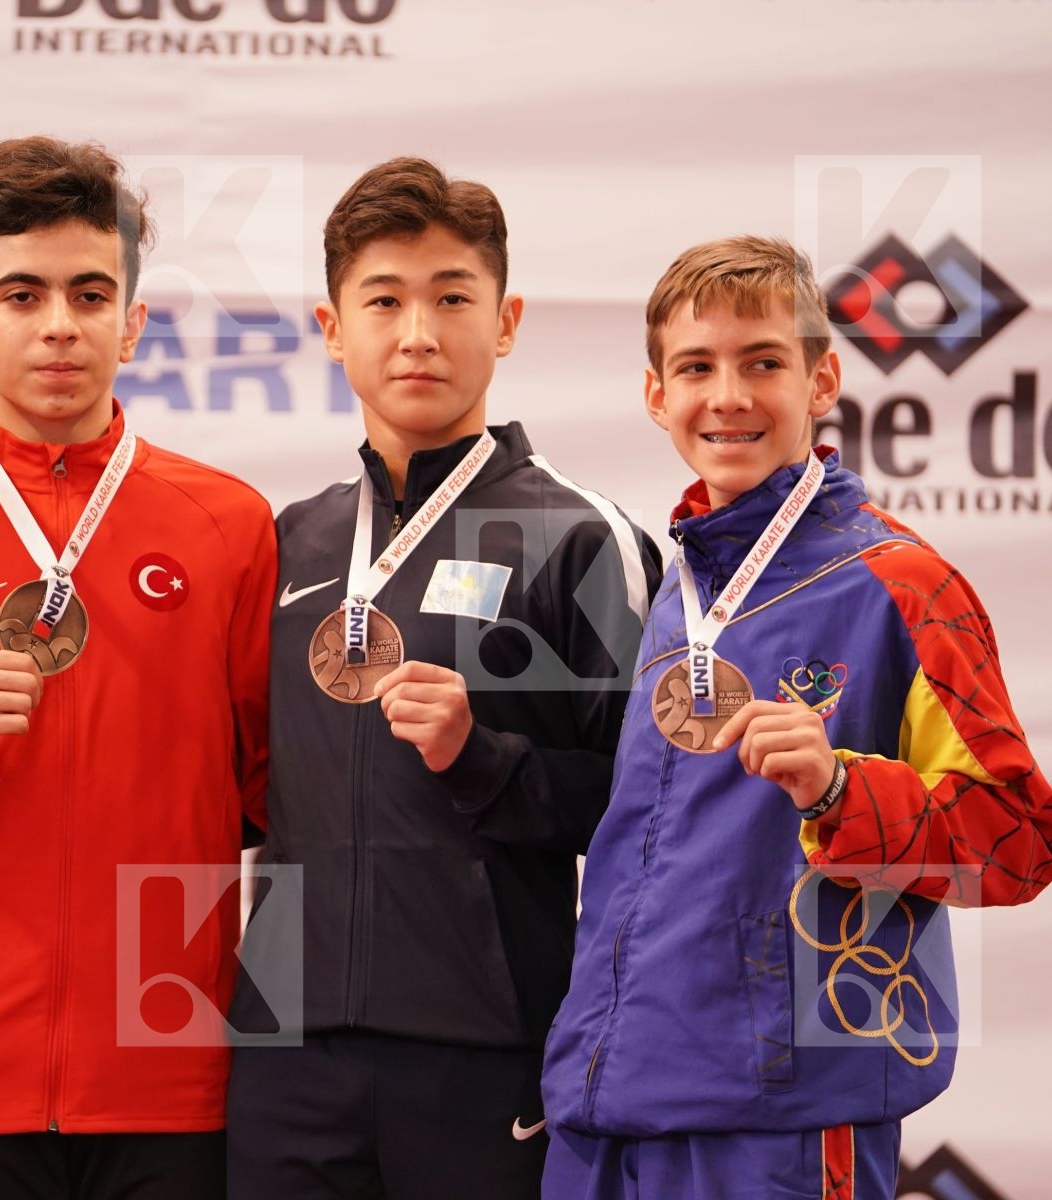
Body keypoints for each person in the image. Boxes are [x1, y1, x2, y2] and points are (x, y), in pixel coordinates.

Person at [540, 235, 1052, 1199]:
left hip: (781, 1110)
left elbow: (1021, 842)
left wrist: (840, 786)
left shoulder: (901, 585)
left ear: (822, 379)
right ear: (656, 395)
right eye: (696, 367)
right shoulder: (681, 588)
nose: (728, 396)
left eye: (764, 363)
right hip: (608, 1099)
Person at [0, 136, 274, 1200]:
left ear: (134, 322)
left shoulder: (230, 525)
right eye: (22, 295)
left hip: (179, 1070)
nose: (61, 325)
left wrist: (269, 1032)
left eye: (90, 292)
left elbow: (279, 807)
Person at [224, 157, 662, 1200]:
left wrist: (486, 761)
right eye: (383, 300)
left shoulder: (580, 539)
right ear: (331, 328)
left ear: (505, 321)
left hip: (488, 1045)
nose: (417, 331)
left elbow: (653, 813)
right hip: (284, 1044)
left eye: (451, 298)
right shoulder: (287, 542)